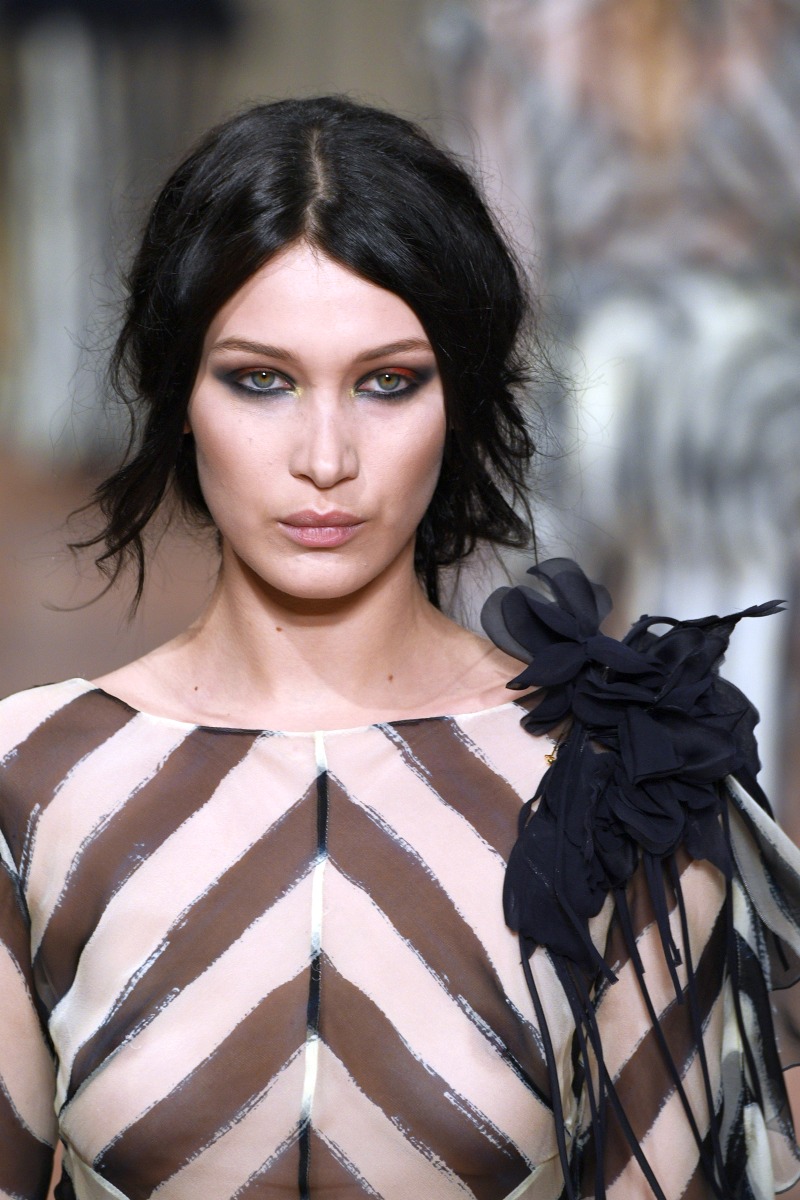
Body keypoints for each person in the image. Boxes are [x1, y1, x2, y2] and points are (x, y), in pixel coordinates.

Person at [0, 97, 798, 1200]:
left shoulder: (618, 780)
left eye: (389, 382)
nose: (325, 458)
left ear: (458, 399)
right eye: (260, 379)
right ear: (178, 391)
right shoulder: (29, 785)